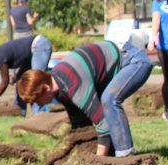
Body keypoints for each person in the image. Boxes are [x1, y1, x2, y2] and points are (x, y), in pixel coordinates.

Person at [18, 40, 152, 157]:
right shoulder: (59, 85)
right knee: (95, 108)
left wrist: (98, 160)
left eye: (36, 100)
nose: (37, 104)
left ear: (46, 89)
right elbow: (79, 123)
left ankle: (125, 155)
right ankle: (114, 153)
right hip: (119, 62)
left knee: (108, 99)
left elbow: (103, 125)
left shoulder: (74, 86)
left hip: (133, 61)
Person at [0, 34, 52, 115]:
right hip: (29, 54)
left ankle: (39, 115)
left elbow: (5, 82)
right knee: (20, 82)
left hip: (39, 46)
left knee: (36, 82)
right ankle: (19, 111)